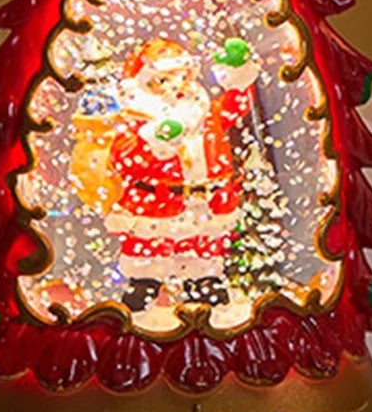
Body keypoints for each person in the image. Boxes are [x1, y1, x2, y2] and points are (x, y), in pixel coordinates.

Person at [103, 35, 261, 315]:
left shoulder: (203, 111)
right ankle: (144, 290)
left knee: (202, 247)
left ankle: (203, 285)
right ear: (145, 83)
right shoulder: (136, 118)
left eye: (182, 77)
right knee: (148, 250)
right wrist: (155, 139)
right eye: (164, 80)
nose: (176, 86)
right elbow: (123, 157)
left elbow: (233, 110)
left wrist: (238, 78)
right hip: (156, 202)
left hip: (206, 199)